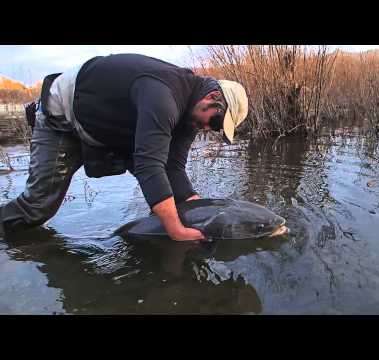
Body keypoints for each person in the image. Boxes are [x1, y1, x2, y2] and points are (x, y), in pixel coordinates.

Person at [0, 53, 248, 241]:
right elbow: (149, 164)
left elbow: (173, 166)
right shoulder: (164, 97)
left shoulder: (191, 116)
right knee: (36, 208)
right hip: (64, 117)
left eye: (216, 129)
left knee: (171, 198)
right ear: (213, 98)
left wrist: (194, 205)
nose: (208, 129)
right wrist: (176, 230)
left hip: (106, 127)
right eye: (215, 122)